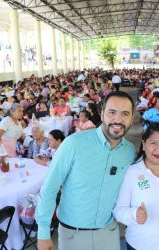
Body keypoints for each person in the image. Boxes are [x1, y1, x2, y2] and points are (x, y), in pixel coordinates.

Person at [36, 91, 136, 250]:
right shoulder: (73, 144)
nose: (118, 119)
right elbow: (50, 188)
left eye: (125, 114)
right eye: (112, 112)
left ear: (132, 118)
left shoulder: (129, 152)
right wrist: (43, 233)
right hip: (73, 235)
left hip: (108, 233)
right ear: (102, 114)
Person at [113, 123, 159, 250]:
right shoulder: (132, 172)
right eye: (153, 143)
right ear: (144, 145)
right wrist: (134, 214)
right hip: (141, 244)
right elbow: (118, 210)